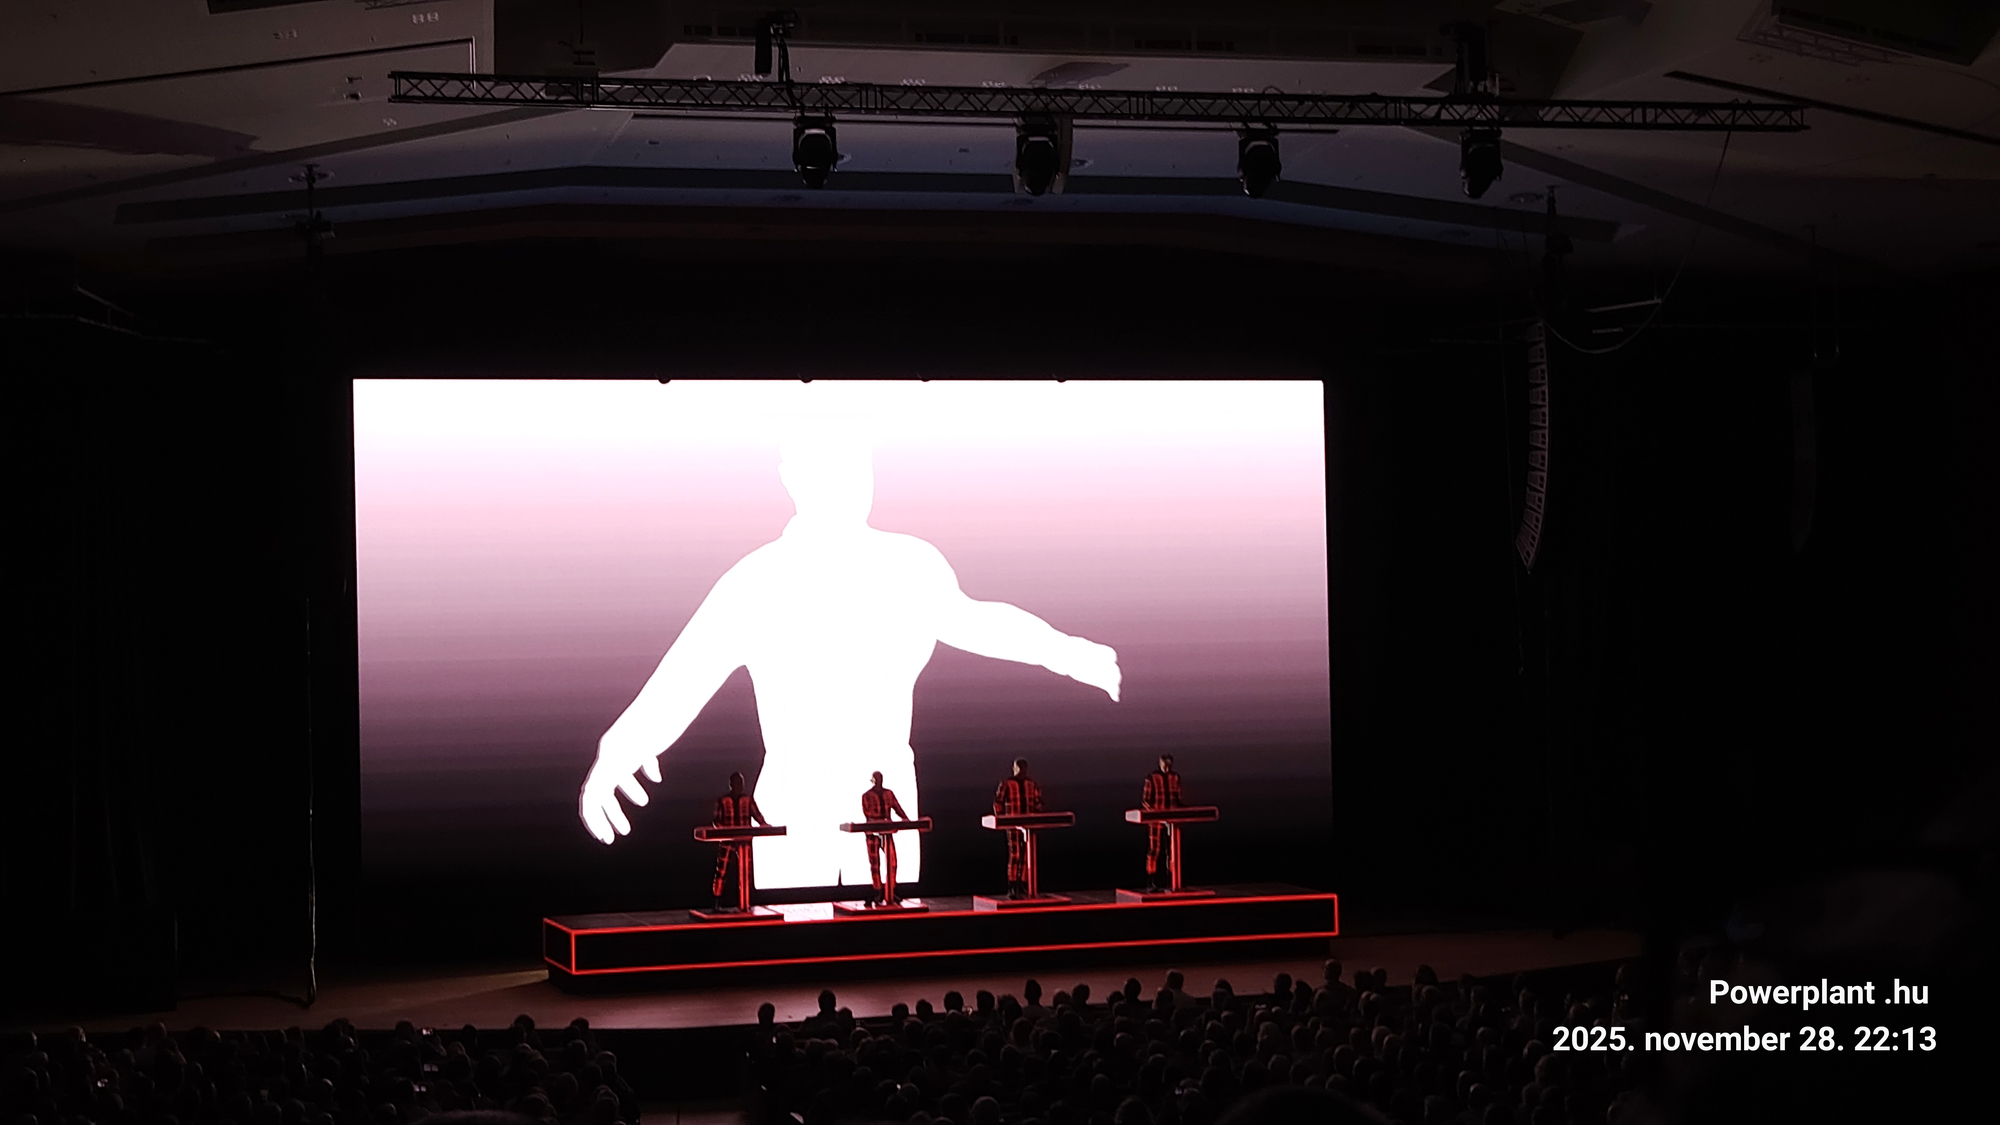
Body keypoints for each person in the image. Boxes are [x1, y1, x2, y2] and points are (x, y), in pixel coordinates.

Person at [578, 433, 1122, 889]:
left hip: (885, 797)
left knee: (890, 945)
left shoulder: (909, 565)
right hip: (795, 802)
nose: (848, 483)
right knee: (796, 948)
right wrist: (622, 744)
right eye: (828, 469)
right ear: (791, 478)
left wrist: (1067, 652)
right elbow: (684, 676)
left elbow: (977, 621)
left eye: (857, 468)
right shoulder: (756, 581)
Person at [710, 771, 769, 910]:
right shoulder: (722, 801)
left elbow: (757, 815)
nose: (739, 786)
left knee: (745, 872)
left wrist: (764, 825)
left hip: (744, 840)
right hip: (728, 840)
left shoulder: (748, 800)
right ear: (731, 784)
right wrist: (724, 831)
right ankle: (716, 903)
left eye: (740, 783)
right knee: (721, 871)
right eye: (736, 783)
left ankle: (745, 903)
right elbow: (716, 820)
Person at [992, 757, 1044, 898]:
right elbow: (998, 802)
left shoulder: (1031, 783)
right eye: (1019, 768)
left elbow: (1038, 801)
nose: (1021, 771)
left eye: (1023, 768)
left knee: (1027, 854)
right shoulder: (1007, 783)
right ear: (1014, 769)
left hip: (1028, 824)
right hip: (1013, 824)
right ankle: (1013, 885)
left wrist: (1036, 817)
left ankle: (1024, 884)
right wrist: (1001, 819)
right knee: (1015, 854)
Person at [861, 769, 911, 905]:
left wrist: (906, 819)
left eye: (880, 778)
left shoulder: (889, 793)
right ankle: (877, 891)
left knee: (892, 861)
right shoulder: (866, 796)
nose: (879, 781)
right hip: (873, 832)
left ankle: (891, 890)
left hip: (887, 832)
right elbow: (868, 814)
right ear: (872, 780)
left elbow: (897, 807)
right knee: (875, 863)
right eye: (876, 778)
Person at [1141, 753, 1184, 892]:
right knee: (1154, 850)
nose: (1167, 768)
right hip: (1156, 820)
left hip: (1172, 820)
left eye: (1169, 765)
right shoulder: (1152, 778)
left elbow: (1178, 798)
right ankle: (1151, 881)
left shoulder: (1175, 778)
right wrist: (1156, 814)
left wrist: (1179, 812)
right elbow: (1146, 800)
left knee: (1171, 851)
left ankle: (1171, 879)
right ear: (1160, 764)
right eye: (1165, 765)